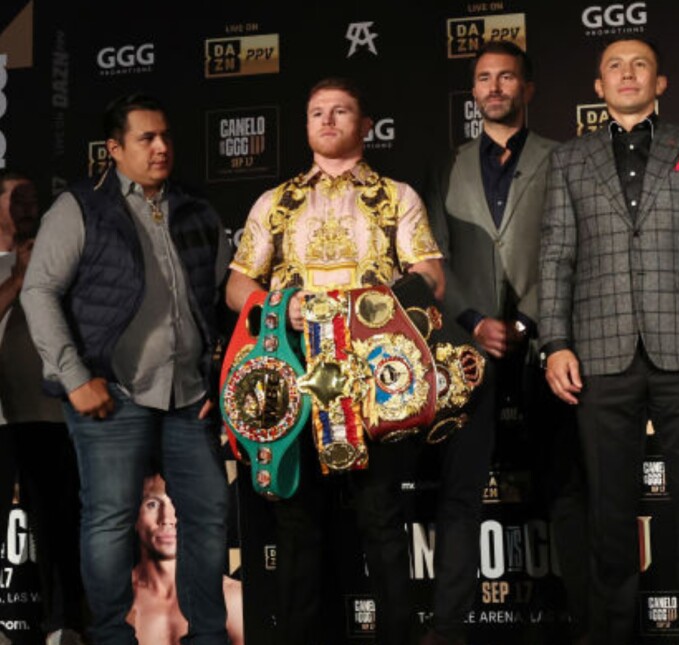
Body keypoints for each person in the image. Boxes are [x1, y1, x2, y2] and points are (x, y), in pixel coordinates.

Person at [538, 37, 679, 645]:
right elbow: (555, 255)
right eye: (614, 66)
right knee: (607, 516)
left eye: (640, 66)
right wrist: (555, 341)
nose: (627, 74)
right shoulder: (570, 161)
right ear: (598, 87)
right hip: (599, 354)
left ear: (660, 83)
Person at [225, 76, 445, 645]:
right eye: (317, 112)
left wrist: (371, 311)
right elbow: (236, 286)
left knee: (382, 524)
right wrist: (282, 304)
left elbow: (430, 278)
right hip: (296, 381)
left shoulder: (397, 197)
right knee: (299, 530)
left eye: (341, 111)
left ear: (364, 125)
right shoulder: (274, 203)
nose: (327, 120)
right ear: (305, 126)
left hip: (379, 380)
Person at [21, 93, 231, 645]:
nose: (161, 147)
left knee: (209, 517)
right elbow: (38, 291)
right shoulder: (80, 207)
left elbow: (222, 296)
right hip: (111, 393)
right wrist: (73, 376)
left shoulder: (195, 206)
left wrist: (219, 378)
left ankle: (208, 637)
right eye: (146, 138)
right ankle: (112, 638)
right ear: (114, 149)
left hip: (189, 396)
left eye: (165, 136)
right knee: (110, 521)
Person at [423, 41, 587, 645]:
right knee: (461, 492)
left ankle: (589, 624)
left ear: (528, 88)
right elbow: (433, 258)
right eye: (484, 78)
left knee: (566, 486)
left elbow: (574, 248)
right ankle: (449, 627)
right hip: (468, 348)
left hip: (548, 343)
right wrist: (472, 320)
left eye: (506, 77)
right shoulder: (446, 166)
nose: (494, 87)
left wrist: (531, 321)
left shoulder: (565, 159)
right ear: (474, 92)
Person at [0, 172, 86, 645]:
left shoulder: (55, 258)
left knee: (58, 525)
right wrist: (18, 276)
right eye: (17, 198)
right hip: (1, 418)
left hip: (49, 414)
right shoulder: (12, 265)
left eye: (34, 198)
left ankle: (64, 626)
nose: (28, 207)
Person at [127, 473, 243, 645]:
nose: (167, 519)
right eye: (152, 504)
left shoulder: (232, 598)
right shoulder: (118, 601)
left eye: (177, 504)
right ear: (134, 517)